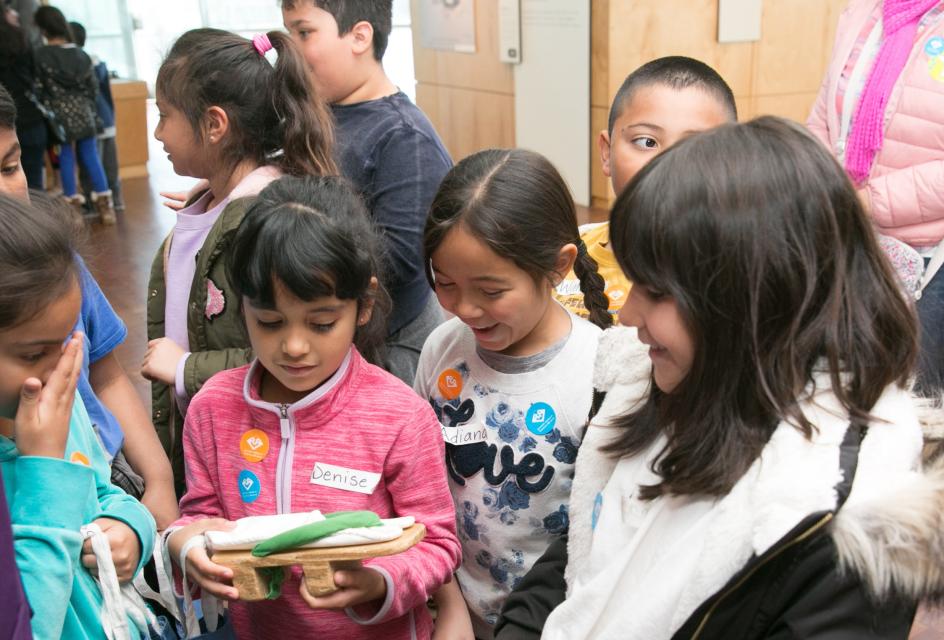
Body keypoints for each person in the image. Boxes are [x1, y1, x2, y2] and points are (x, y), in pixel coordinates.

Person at [496, 117, 944, 639]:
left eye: (655, 291)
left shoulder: (842, 523)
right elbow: (580, 547)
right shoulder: (657, 384)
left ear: (752, 300)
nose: (626, 316)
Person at [165, 175, 460, 639]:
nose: (295, 346)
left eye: (322, 323)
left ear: (362, 306)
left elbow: (438, 543)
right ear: (242, 307)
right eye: (270, 322)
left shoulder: (399, 416)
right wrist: (186, 545)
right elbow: (200, 515)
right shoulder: (213, 409)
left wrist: (378, 583)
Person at [414, 148, 612, 639]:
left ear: (558, 266)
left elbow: (598, 536)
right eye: (446, 284)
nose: (466, 308)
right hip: (451, 615)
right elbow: (416, 483)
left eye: (491, 290)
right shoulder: (442, 350)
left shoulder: (595, 372)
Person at [141, 29, 338, 496]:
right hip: (213, 440)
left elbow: (291, 351)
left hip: (250, 457)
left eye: (164, 115)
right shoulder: (219, 202)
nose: (158, 133)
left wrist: (186, 367)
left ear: (214, 125)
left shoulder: (258, 219)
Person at [0, 83, 179, 530]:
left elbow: (106, 373)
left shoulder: (59, 265)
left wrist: (157, 482)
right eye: (31, 352)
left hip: (109, 480)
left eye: (9, 166)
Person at [0, 192, 156, 639]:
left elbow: (104, 494)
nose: (63, 372)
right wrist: (44, 467)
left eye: (69, 342)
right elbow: (33, 626)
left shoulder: (56, 410)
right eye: (34, 353)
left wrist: (133, 527)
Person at [282, 0, 452, 385]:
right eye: (288, 31)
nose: (289, 49)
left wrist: (304, 263)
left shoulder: (403, 136)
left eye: (303, 32)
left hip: (387, 351)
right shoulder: (319, 115)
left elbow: (403, 262)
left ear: (359, 36)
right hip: (330, 342)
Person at [807, 0, 944, 396]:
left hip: (935, 258)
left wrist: (870, 201)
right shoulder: (864, 11)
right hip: (851, 239)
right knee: (834, 390)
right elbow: (824, 114)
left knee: (908, 403)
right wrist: (823, 189)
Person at [555, 56, 735, 321]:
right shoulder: (562, 254)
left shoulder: (738, 269)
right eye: (646, 142)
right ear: (607, 152)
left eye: (693, 147)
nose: (665, 164)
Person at [32, 5, 115, 224]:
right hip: (85, 115)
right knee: (91, 157)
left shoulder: (40, 56)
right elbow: (93, 90)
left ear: (43, 30)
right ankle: (107, 210)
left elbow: (38, 89)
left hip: (59, 120)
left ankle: (74, 212)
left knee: (66, 158)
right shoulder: (82, 55)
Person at [69, 21, 124, 212]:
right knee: (110, 165)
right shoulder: (96, 61)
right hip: (107, 119)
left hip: (90, 123)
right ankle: (115, 201)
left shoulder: (77, 62)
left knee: (90, 165)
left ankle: (93, 206)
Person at [0, 13, 46, 190]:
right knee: (32, 183)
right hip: (31, 115)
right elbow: (35, 74)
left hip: (6, 120)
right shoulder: (21, 38)